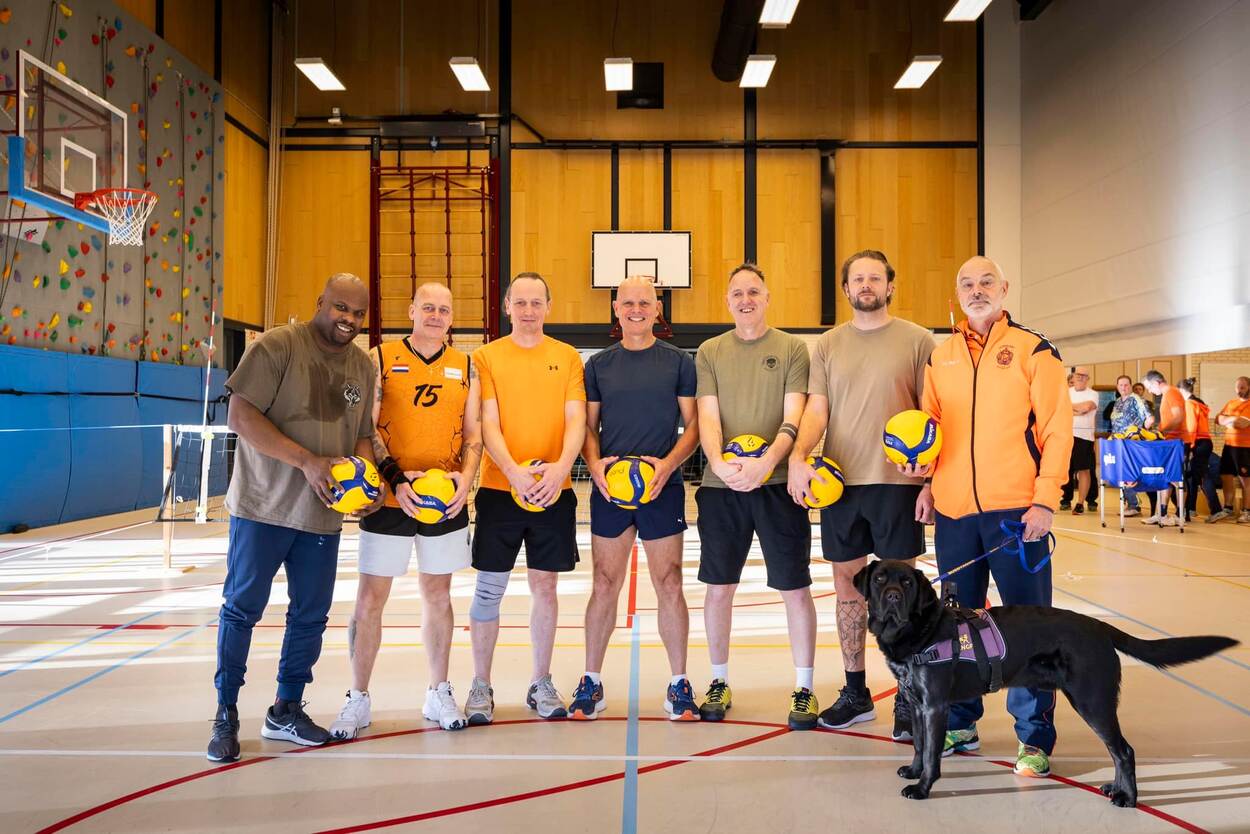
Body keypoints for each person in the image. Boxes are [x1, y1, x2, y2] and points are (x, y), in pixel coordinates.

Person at [904, 256, 1072, 779]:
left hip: (1017, 514)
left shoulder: (1033, 350)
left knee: (1029, 627)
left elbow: (1057, 429)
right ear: (957, 293)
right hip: (954, 514)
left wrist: (1045, 500)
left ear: (1004, 288)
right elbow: (930, 429)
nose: (976, 291)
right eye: (967, 284)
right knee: (955, 626)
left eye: (986, 282)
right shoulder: (942, 356)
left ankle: (1034, 737)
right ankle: (960, 722)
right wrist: (928, 483)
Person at [208, 274, 379, 763]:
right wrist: (306, 461)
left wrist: (368, 483)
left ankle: (285, 708)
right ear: (320, 302)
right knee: (242, 609)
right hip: (263, 507)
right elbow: (240, 416)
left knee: (309, 617)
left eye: (358, 313)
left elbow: (361, 435)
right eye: (341, 307)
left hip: (321, 516)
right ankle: (226, 711)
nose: (349, 319)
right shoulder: (277, 346)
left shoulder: (362, 367)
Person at [786, 250, 935, 740]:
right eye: (857, 279)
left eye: (875, 278)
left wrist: (930, 481)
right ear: (846, 289)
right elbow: (817, 411)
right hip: (841, 485)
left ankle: (908, 697)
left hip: (898, 484)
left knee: (901, 594)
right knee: (847, 589)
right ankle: (856, 693)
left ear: (890, 286)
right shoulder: (828, 344)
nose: (866, 285)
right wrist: (800, 456)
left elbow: (933, 413)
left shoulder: (918, 340)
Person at [329, 283, 483, 739]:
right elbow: (365, 427)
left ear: (452, 318)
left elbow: (473, 434)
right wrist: (396, 478)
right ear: (411, 310)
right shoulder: (379, 358)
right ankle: (358, 696)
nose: (436, 315)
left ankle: (438, 691)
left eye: (444, 309)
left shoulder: (467, 366)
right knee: (370, 599)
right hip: (389, 497)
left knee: (438, 596)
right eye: (428, 307)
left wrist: (465, 480)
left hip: (444, 500)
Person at [571, 276, 702, 721]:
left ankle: (679, 683)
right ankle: (591, 681)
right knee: (604, 583)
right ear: (615, 308)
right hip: (611, 489)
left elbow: (694, 425)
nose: (636, 309)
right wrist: (595, 467)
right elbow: (588, 428)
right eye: (628, 302)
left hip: (661, 488)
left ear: (657, 308)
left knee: (670, 582)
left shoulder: (679, 362)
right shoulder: (598, 365)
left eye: (645, 302)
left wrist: (667, 466)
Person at [695, 263, 818, 730]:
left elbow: (794, 416)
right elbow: (709, 417)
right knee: (719, 587)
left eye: (753, 292)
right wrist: (720, 463)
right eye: (737, 293)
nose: (745, 300)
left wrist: (766, 463)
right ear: (727, 301)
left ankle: (804, 688)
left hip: (779, 486)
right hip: (721, 487)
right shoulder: (710, 351)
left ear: (767, 298)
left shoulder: (791, 349)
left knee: (794, 587)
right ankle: (719, 681)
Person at [467, 272, 587, 722]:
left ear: (548, 307)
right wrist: (514, 473)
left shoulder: (567, 356)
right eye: (520, 302)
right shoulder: (486, 356)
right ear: (507, 306)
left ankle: (541, 682)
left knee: (545, 587)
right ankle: (481, 685)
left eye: (537, 302)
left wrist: (560, 469)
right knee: (489, 589)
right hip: (500, 489)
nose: (529, 310)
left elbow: (576, 419)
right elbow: (487, 421)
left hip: (554, 489)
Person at [1141, 370, 1186, 526]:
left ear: (1156, 382)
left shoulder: (1172, 393)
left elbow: (1178, 417)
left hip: (1176, 442)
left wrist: (1160, 430)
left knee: (1176, 479)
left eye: (1149, 387)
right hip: (1168, 442)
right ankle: (1161, 513)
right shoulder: (1167, 395)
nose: (1149, 391)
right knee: (1164, 478)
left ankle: (1180, 515)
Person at [1107, 374, 1152, 516]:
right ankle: (1130, 503)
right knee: (1120, 474)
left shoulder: (1136, 399)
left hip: (1132, 444)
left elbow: (1149, 418)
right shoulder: (1117, 402)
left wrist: (1143, 432)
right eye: (1121, 385)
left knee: (1128, 474)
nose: (1123, 387)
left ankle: (1134, 505)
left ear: (1131, 386)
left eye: (1126, 385)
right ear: (1117, 387)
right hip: (1118, 443)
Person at [1177, 378, 1220, 524]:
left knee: (1202, 477)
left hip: (1198, 443)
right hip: (1204, 442)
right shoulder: (1198, 402)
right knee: (1193, 477)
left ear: (1181, 391)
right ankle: (1189, 509)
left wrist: (1187, 448)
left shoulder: (1189, 404)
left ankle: (1216, 509)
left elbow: (1191, 428)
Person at [1214, 376, 1250, 523]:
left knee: (1245, 480)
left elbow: (1242, 424)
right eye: (1237, 387)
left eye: (1242, 387)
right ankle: (1228, 508)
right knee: (1226, 476)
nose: (1238, 390)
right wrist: (1234, 419)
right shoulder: (1231, 403)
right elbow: (1218, 419)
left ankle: (1247, 511)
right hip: (1229, 446)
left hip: (1245, 447)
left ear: (1249, 387)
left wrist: (1228, 420)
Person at [1063, 366, 1099, 515]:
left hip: (1084, 437)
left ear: (1088, 379)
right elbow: (1060, 410)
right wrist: (1075, 410)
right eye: (1078, 374)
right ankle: (1064, 499)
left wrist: (1069, 408)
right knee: (1064, 470)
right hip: (1065, 436)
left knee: (1084, 470)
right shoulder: (1066, 392)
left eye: (1084, 375)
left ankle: (1080, 503)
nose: (1080, 377)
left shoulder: (1093, 394)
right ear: (1073, 376)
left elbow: (1086, 408)